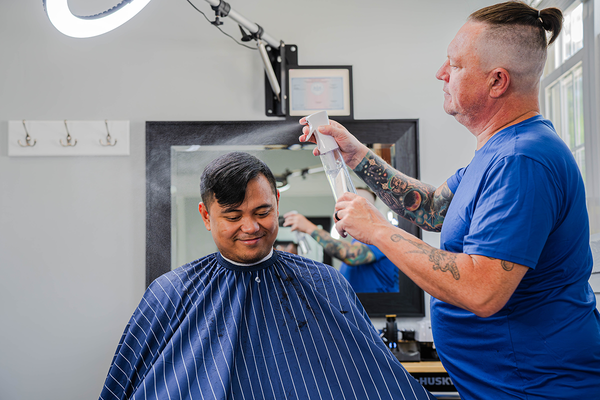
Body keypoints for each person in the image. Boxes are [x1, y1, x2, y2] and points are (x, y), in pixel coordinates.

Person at [298, 2, 600, 399]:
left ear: (497, 81)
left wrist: (377, 230)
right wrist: (358, 157)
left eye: (455, 65)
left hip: (538, 387)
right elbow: (433, 208)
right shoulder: (499, 152)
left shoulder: (522, 160)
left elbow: (481, 290)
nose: (441, 73)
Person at [99, 152, 434, 400]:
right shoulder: (170, 292)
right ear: (206, 216)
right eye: (232, 216)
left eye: (262, 212)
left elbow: (375, 376)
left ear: (276, 202)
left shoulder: (325, 282)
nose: (251, 227)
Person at [283, 188, 399, 293]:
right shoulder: (359, 240)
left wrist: (309, 228)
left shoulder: (382, 233)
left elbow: (351, 255)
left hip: (382, 311)